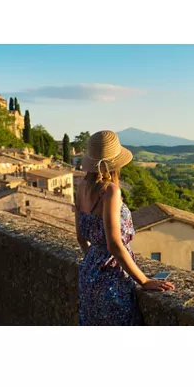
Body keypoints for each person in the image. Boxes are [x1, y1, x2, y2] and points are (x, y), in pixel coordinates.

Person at [75, 130, 174, 325]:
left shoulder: (81, 187)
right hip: (112, 280)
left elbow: (81, 238)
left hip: (87, 275)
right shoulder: (110, 191)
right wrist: (144, 281)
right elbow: (114, 245)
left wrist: (96, 260)